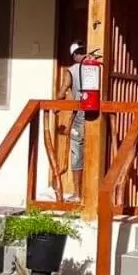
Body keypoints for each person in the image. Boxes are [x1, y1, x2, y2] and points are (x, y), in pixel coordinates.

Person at [57, 42, 88, 200]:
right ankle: (91, 192)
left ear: (74, 55)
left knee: (77, 152)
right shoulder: (97, 67)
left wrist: (56, 105)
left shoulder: (71, 70)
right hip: (98, 115)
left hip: (80, 115)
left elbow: (63, 91)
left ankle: (78, 193)